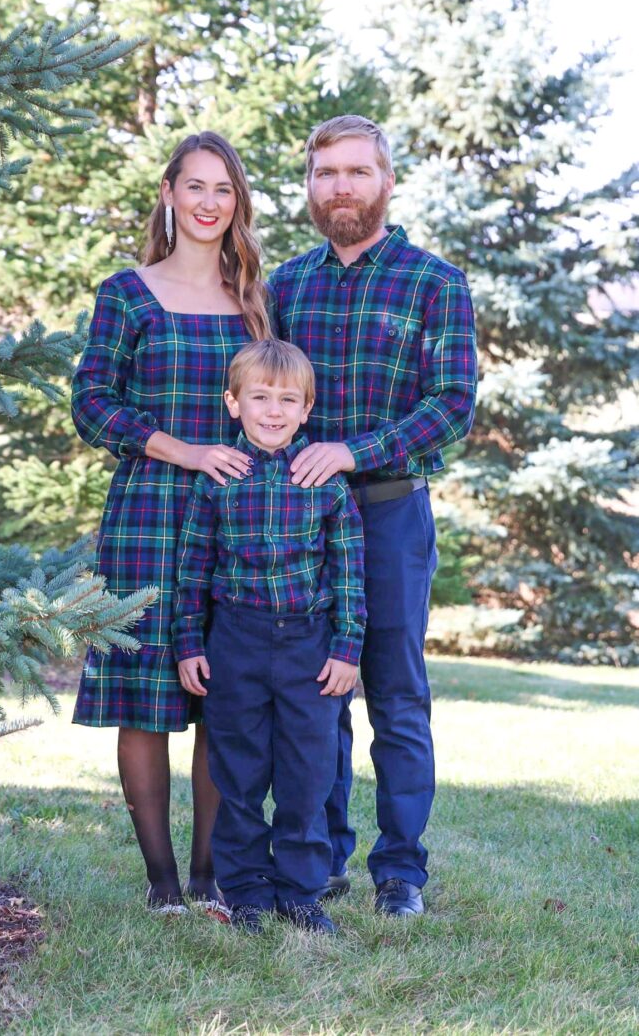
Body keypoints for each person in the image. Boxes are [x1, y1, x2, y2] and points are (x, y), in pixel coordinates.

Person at [269, 115, 477, 916]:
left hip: (390, 516)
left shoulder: (434, 281)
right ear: (312, 187)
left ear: (386, 180)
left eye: (357, 172)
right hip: (303, 523)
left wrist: (357, 450)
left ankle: (402, 874)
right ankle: (322, 860)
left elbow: (453, 406)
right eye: (327, 175)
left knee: (395, 695)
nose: (342, 187)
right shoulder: (285, 286)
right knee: (318, 699)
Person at [71, 132, 272, 915]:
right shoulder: (126, 292)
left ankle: (208, 877)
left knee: (224, 698)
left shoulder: (256, 299)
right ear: (168, 193)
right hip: (151, 511)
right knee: (147, 697)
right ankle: (161, 885)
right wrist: (181, 449)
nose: (208, 203)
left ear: (237, 203)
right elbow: (91, 402)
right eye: (194, 186)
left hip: (238, 522)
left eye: (223, 189)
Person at [172, 338, 366, 934]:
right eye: (259, 397)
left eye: (288, 399)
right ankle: (249, 892)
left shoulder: (325, 482)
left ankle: (302, 892)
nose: (274, 411)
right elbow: (193, 566)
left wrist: (347, 648)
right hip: (237, 641)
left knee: (309, 773)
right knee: (240, 773)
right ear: (234, 403)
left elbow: (349, 570)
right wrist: (190, 643)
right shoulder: (218, 479)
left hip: (310, 646)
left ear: (307, 409)